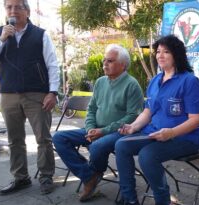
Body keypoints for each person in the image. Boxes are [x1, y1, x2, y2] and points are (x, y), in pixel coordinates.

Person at [114, 35, 199, 205]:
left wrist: (171, 133)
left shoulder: (190, 81)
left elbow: (195, 120)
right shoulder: (155, 80)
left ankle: (163, 201)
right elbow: (148, 111)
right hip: (155, 133)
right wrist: (133, 127)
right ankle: (129, 198)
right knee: (121, 145)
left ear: (176, 54)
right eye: (158, 52)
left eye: (166, 52)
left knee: (147, 156)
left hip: (184, 138)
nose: (160, 55)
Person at [52, 44, 144, 202]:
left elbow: (132, 117)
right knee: (58, 138)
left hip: (118, 132)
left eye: (110, 61)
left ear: (122, 65)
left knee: (98, 145)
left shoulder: (132, 85)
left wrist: (104, 131)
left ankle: (92, 177)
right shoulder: (101, 82)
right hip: (96, 130)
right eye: (104, 60)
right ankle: (89, 176)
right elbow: (92, 108)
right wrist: (90, 128)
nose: (105, 63)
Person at [0, 0, 60, 195]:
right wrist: (2, 39)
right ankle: (20, 178)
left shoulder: (41, 34)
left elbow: (52, 65)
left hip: (37, 93)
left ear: (27, 11)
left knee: (43, 138)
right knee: (15, 139)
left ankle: (46, 177)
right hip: (8, 94)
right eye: (8, 7)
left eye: (17, 7)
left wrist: (53, 92)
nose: (12, 10)